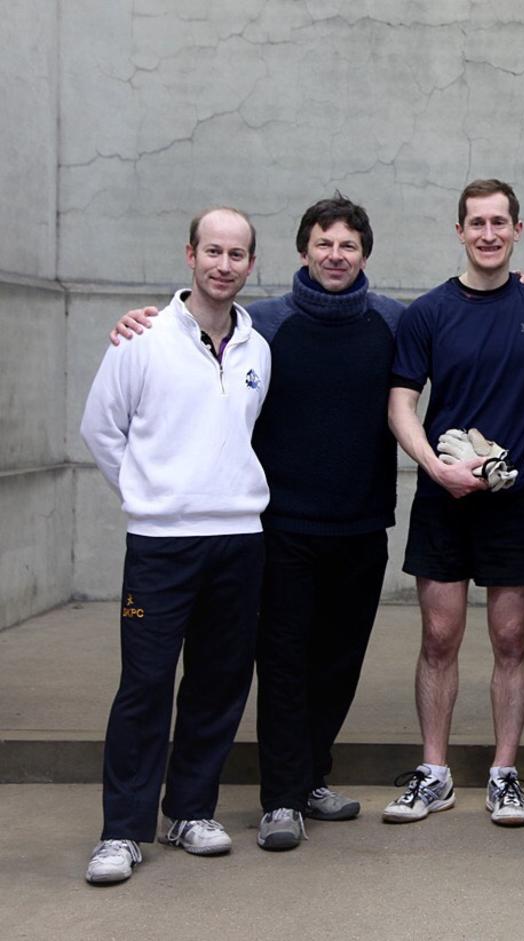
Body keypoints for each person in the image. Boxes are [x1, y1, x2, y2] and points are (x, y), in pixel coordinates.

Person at [109, 194, 404, 851]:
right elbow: (190, 329)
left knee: (337, 663)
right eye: (323, 243)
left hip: (361, 525)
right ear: (303, 251)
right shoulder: (263, 323)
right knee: (284, 662)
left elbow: (462, 323)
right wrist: (144, 319)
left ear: (364, 255)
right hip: (281, 528)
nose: (335, 255)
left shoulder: (392, 321)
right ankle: (280, 798)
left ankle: (309, 775)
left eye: (348, 245)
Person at [81, 208, 270, 884]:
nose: (224, 264)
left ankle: (190, 810)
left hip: (239, 541)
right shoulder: (141, 339)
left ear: (251, 263)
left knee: (218, 683)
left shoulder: (257, 347)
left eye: (238, 253)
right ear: (189, 254)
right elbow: (101, 430)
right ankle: (122, 830)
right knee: (146, 684)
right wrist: (149, 493)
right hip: (162, 544)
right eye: (213, 251)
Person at [382, 179, 524, 827]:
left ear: (517, 230)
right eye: (477, 223)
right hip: (444, 497)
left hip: (514, 503)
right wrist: (435, 467)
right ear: (459, 231)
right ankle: (434, 772)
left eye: (500, 222)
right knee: (438, 636)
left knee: (510, 638)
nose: (488, 233)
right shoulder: (427, 312)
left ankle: (502, 774)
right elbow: (401, 404)